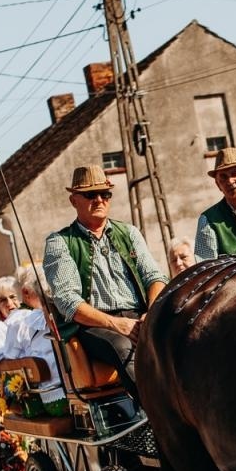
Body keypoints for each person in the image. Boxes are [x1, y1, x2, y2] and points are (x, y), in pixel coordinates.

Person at [43, 165, 167, 400]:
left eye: (105, 194)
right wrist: (116, 324)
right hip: (94, 325)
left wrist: (149, 313)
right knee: (123, 348)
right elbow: (69, 302)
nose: (99, 199)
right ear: (74, 201)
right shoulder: (60, 242)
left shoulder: (129, 232)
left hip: (139, 315)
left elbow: (155, 277)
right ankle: (157, 415)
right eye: (91, 195)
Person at [2, 265, 66, 415]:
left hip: (53, 395)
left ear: (25, 293)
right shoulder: (63, 310)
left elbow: (12, 359)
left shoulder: (24, 320)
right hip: (64, 391)